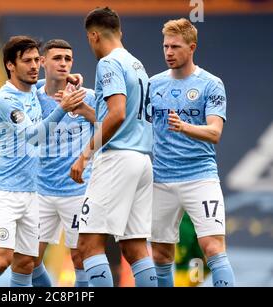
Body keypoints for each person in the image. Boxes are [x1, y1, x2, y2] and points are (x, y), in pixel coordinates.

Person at [0, 36, 86, 287]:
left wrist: (71, 77)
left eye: (37, 60)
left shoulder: (34, 92)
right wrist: (63, 107)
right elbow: (33, 136)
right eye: (27, 61)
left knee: (27, 263)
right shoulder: (6, 99)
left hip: (31, 193)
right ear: (10, 65)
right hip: (2, 192)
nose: (34, 65)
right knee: (1, 260)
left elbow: (51, 85)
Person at [69, 7, 157, 287]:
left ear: (94, 35)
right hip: (142, 161)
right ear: (119, 31)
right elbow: (126, 115)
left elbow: (117, 114)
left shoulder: (108, 63)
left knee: (88, 246)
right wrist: (89, 110)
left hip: (118, 160)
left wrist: (85, 154)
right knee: (135, 247)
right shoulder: (137, 65)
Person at [149, 18, 235, 287]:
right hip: (161, 179)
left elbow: (215, 132)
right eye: (165, 46)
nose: (168, 53)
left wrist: (184, 126)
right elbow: (124, 118)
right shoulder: (153, 85)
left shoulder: (211, 84)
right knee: (161, 254)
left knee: (212, 248)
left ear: (192, 47)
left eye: (175, 46)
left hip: (200, 177)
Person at [30, 39, 96, 287]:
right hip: (41, 190)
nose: (63, 63)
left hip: (77, 190)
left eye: (68, 59)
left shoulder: (86, 95)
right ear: (43, 61)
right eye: (57, 58)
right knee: (30, 259)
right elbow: (24, 135)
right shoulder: (31, 98)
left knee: (80, 258)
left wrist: (84, 110)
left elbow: (111, 123)